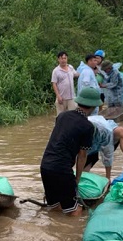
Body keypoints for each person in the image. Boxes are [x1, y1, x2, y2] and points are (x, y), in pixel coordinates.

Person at [39, 87, 99, 216]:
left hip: (45, 166)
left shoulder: (62, 116)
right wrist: (76, 179)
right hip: (62, 170)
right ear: (93, 106)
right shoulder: (88, 126)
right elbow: (82, 155)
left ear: (78, 102)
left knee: (55, 208)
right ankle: (71, 235)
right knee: (75, 211)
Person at [85, 115, 123, 181]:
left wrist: (108, 178)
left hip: (106, 129)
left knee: (121, 132)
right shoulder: (78, 132)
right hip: (90, 144)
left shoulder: (105, 131)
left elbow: (108, 152)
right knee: (83, 174)